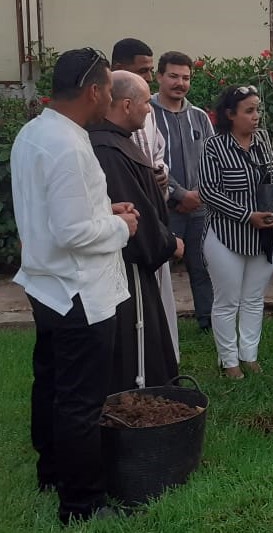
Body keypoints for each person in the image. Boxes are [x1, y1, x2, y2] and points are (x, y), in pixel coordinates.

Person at [11, 48, 138, 524]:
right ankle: (82, 504)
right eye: (109, 86)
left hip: (47, 284)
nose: (112, 93)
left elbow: (57, 215)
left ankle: (51, 471)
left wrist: (108, 213)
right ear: (93, 91)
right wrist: (124, 228)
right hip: (77, 290)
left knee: (52, 383)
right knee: (80, 400)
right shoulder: (68, 144)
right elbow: (72, 233)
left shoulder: (36, 131)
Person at [89, 71, 184, 394]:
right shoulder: (108, 150)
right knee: (136, 353)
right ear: (127, 104)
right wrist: (169, 243)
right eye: (146, 103)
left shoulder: (118, 143)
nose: (149, 110)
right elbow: (134, 213)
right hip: (126, 271)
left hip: (133, 271)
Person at [198, 85, 273, 379]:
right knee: (227, 301)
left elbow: (270, 177)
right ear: (230, 115)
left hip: (265, 234)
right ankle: (229, 361)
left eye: (258, 110)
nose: (256, 117)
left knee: (254, 299)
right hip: (227, 236)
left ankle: (249, 355)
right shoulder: (214, 147)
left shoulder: (263, 139)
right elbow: (208, 192)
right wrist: (246, 216)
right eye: (249, 111)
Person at [112, 37, 180, 363]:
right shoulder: (103, 117)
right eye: (144, 70)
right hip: (128, 219)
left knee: (160, 298)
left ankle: (165, 359)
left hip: (154, 209)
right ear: (119, 69)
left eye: (151, 71)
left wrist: (162, 175)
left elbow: (158, 153)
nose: (150, 79)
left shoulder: (147, 113)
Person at [152, 51, 215, 332]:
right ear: (159, 77)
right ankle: (158, 325)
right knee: (158, 268)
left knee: (202, 266)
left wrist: (198, 195)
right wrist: (178, 195)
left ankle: (209, 322)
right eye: (174, 76)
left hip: (200, 208)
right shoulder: (147, 113)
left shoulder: (199, 117)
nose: (180, 83)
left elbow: (215, 160)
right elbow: (149, 162)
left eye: (186, 77)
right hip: (163, 208)